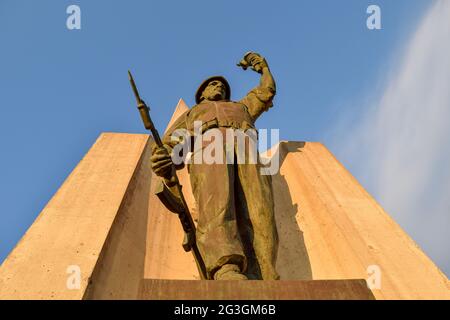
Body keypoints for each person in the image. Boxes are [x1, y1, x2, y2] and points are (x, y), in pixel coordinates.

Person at [151, 52, 279, 280]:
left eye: (221, 84)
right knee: (217, 205)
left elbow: (266, 91)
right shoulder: (193, 113)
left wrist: (263, 68)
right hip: (209, 149)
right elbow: (172, 142)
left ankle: (263, 270)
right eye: (212, 84)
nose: (218, 85)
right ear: (202, 94)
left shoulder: (242, 107)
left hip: (245, 148)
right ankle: (226, 267)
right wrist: (164, 157)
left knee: (260, 208)